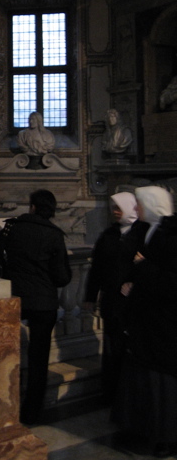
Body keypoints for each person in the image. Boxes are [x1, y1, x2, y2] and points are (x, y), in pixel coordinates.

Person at [0, 189, 71, 425]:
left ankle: (1, 404)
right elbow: (62, 278)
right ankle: (32, 412)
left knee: (5, 355)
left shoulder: (14, 228)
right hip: (43, 304)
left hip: (15, 299)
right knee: (39, 360)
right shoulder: (54, 235)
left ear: (32, 207)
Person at [112, 186, 177, 458]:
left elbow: (172, 282)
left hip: (165, 324)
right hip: (146, 321)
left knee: (164, 385)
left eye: (139, 204)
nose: (135, 209)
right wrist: (132, 281)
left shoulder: (173, 234)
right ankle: (146, 432)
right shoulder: (143, 230)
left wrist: (142, 267)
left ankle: (168, 438)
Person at [84, 191, 148, 404]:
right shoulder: (109, 234)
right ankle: (111, 392)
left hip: (134, 301)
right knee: (112, 347)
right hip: (112, 300)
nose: (114, 211)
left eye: (118, 207)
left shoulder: (144, 233)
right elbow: (97, 269)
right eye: (113, 208)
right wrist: (90, 296)